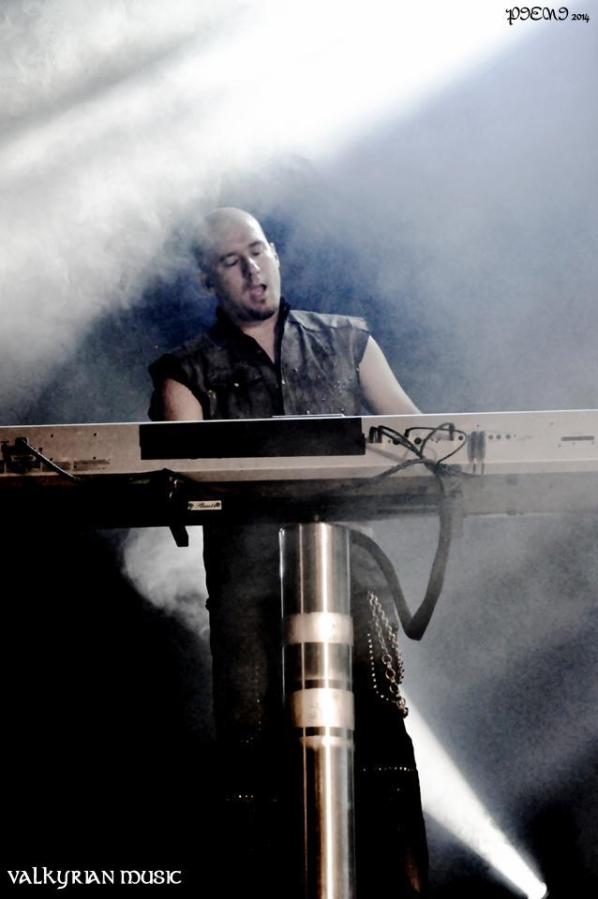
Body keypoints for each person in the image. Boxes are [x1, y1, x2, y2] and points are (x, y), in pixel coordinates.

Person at [149, 207, 428, 897]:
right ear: (207, 279)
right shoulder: (185, 369)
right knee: (248, 744)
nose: (252, 269)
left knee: (384, 736)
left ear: (275, 253)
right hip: (247, 582)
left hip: (353, 569)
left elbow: (418, 436)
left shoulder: (347, 339)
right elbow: (187, 464)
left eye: (259, 250)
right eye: (231, 260)